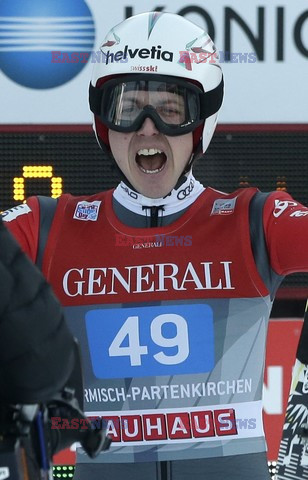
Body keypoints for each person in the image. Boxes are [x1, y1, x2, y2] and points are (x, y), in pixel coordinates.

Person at [2, 11, 308, 480]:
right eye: (127, 108)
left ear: (200, 123)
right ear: (105, 125)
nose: (148, 128)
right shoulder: (49, 226)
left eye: (170, 110)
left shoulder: (254, 220)